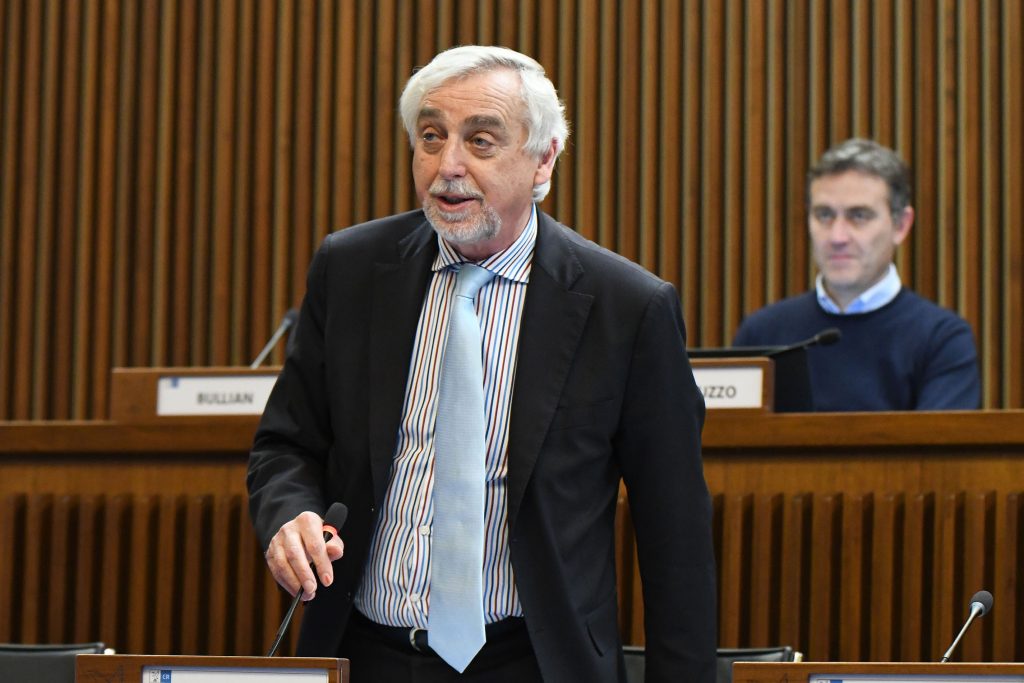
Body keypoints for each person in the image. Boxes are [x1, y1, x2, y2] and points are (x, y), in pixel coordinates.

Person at [247, 45, 716, 682]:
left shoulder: (626, 307)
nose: (448, 166)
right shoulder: (353, 269)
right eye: (431, 137)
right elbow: (286, 443)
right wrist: (290, 515)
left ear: (544, 158)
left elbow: (675, 537)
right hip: (367, 653)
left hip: (535, 663)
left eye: (481, 141)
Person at [733, 137, 981, 411]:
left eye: (859, 216)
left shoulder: (942, 339)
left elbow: (939, 440)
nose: (837, 236)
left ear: (901, 225)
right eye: (824, 215)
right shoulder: (761, 333)